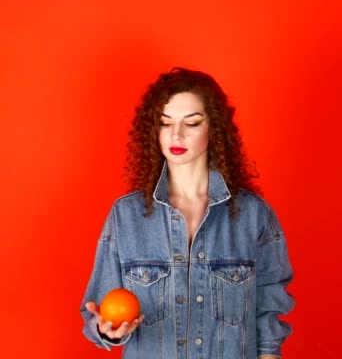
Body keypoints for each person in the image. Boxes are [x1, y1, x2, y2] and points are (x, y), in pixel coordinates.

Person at [81, 67, 294, 358]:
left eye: (191, 123)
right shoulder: (126, 216)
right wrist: (107, 330)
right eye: (165, 123)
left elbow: (269, 316)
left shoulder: (253, 215)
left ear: (214, 128)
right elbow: (97, 311)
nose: (176, 134)